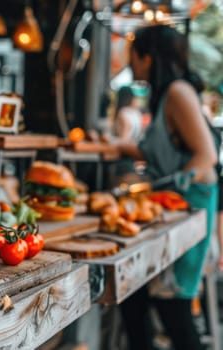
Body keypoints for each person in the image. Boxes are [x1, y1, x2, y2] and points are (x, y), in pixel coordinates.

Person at [117, 25, 219, 350]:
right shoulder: (166, 94)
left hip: (188, 207)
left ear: (148, 57)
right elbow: (155, 151)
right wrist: (114, 147)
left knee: (173, 306)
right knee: (133, 296)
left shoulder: (178, 91)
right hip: (172, 208)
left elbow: (206, 156)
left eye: (132, 54)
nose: (128, 62)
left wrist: (170, 187)